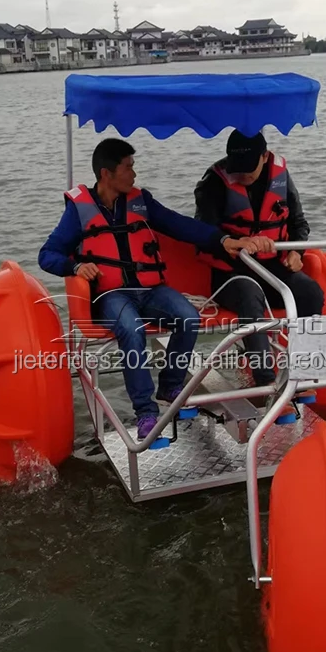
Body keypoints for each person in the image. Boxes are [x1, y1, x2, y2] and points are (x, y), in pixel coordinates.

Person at [38, 137, 260, 440]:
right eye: (128, 168)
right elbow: (47, 255)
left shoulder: (141, 202)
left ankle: (170, 386)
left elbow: (180, 225)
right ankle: (146, 413)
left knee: (188, 318)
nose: (134, 174)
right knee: (131, 329)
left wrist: (221, 240)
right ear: (107, 174)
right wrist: (75, 267)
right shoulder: (79, 211)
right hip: (111, 295)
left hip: (151, 289)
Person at [193, 129, 325, 392]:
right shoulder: (213, 182)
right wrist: (236, 243)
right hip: (230, 274)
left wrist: (297, 254)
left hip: (272, 269)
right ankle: (265, 382)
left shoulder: (281, 177)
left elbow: (299, 224)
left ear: (265, 157)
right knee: (249, 292)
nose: (240, 176)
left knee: (311, 292)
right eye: (236, 169)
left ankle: (307, 374)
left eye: (247, 170)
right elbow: (204, 232)